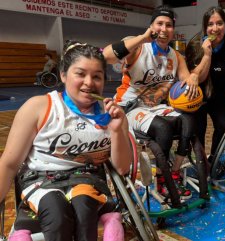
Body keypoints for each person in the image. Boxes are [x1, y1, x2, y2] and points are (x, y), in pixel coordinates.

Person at [0, 40, 132, 241]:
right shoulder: (38, 107)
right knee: (57, 214)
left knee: (84, 210)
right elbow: (9, 164)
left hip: (87, 179)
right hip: (41, 180)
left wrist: (116, 131)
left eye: (97, 76)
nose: (89, 82)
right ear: (63, 75)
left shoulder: (113, 115)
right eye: (80, 74)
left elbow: (122, 169)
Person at [103, 5, 202, 207]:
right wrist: (142, 38)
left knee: (189, 119)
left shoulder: (175, 57)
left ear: (173, 30)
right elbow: (107, 56)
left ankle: (172, 171)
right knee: (163, 127)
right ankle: (161, 179)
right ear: (152, 26)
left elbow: (186, 83)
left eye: (168, 25)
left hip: (153, 107)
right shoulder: (138, 47)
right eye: (159, 23)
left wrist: (193, 76)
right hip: (128, 108)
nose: (164, 28)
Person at [185, 6, 225, 165]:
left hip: (220, 94)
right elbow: (196, 77)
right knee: (199, 130)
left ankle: (214, 158)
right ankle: (201, 162)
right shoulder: (195, 44)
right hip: (198, 95)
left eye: (219, 23)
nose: (215, 28)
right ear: (205, 28)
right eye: (210, 24)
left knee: (223, 126)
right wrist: (207, 55)